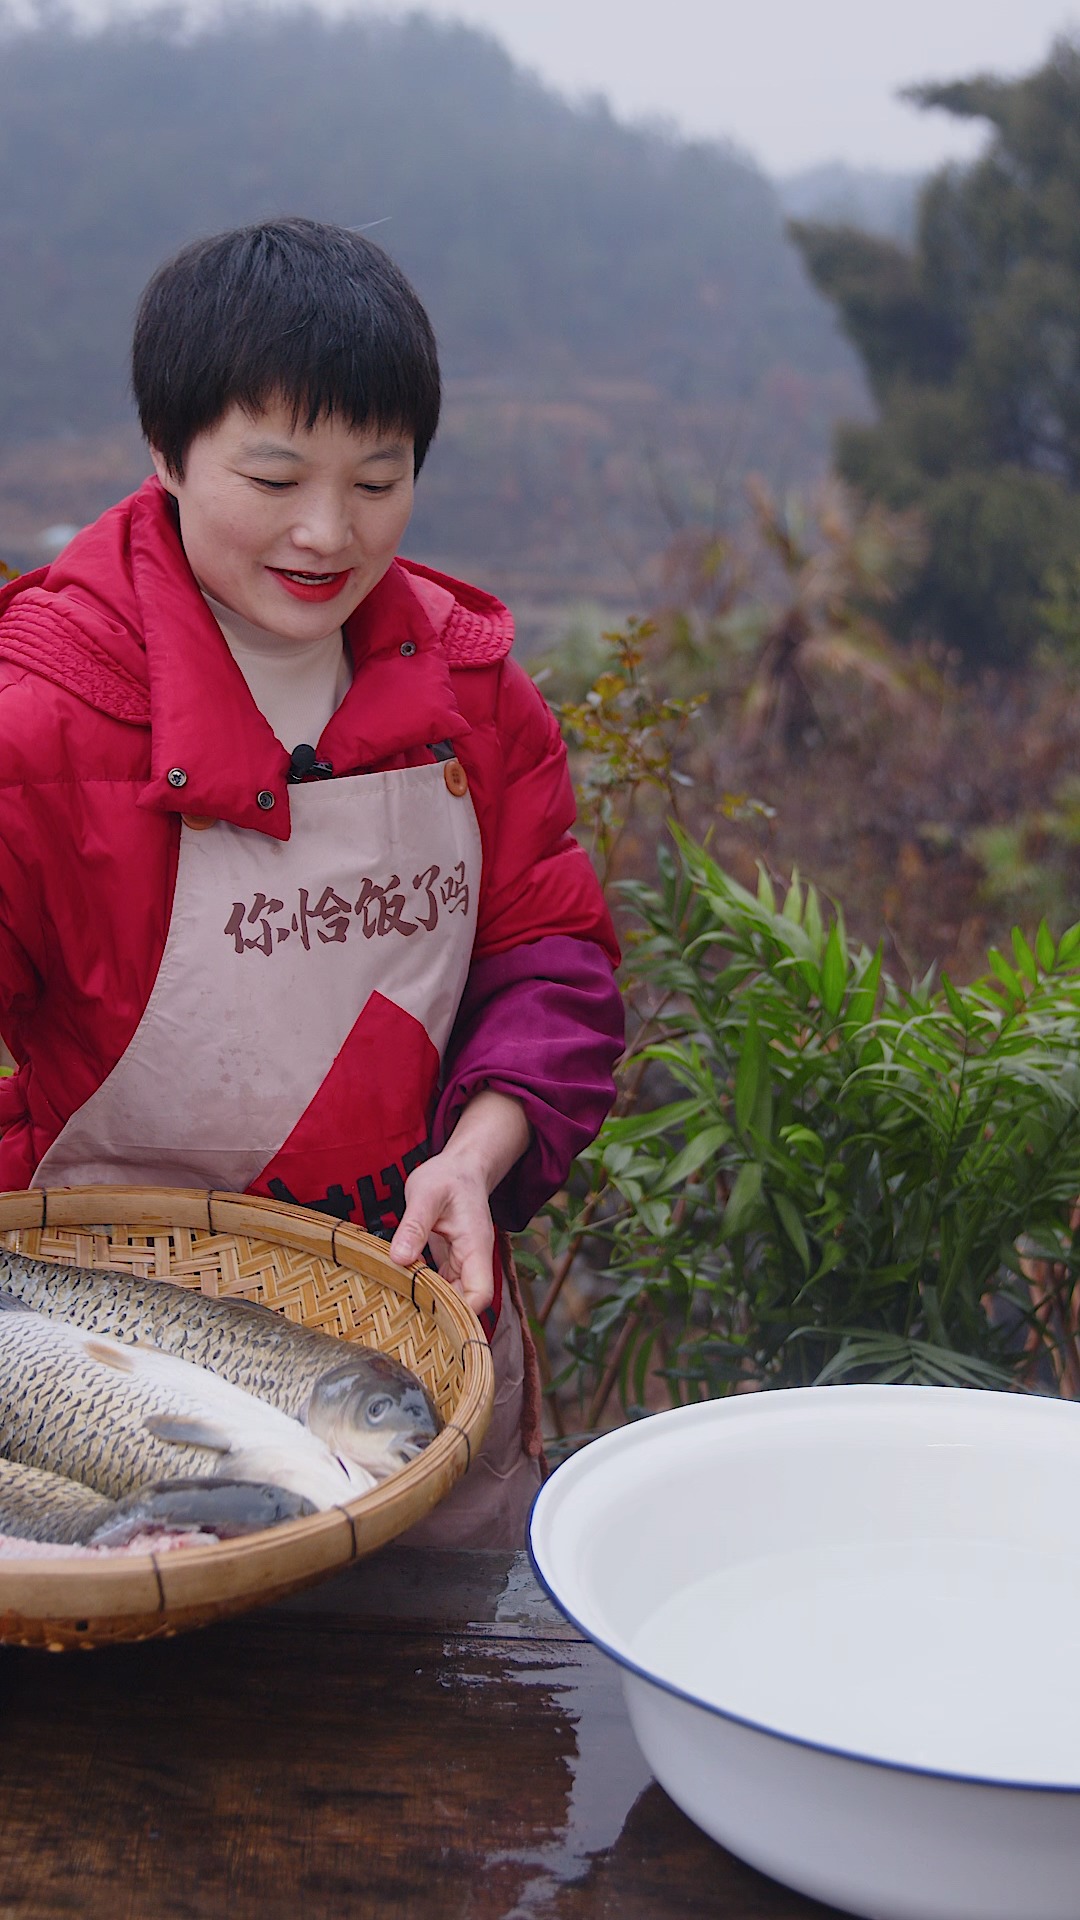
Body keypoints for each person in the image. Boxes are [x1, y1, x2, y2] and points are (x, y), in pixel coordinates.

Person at [0, 217, 623, 1546]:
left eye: (379, 481)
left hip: (408, 1348)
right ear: (166, 453)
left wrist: (476, 1153)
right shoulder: (38, 730)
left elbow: (546, 961)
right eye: (274, 477)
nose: (327, 533)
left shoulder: (476, 705)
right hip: (100, 1356)